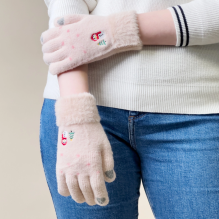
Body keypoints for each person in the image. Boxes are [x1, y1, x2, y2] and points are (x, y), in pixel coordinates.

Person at [40, 0, 219, 218]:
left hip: (198, 112)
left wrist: (116, 31)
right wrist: (77, 114)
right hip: (83, 105)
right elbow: (65, 8)